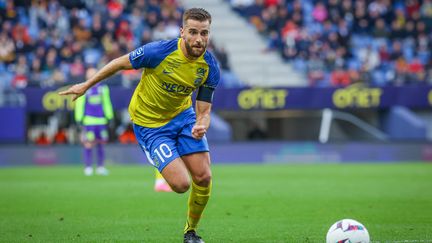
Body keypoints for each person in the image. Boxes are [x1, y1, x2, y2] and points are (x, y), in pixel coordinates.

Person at [59, 8, 219, 243]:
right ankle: (160, 155)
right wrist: (86, 85)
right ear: (182, 32)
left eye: (204, 33)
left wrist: (202, 124)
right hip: (149, 124)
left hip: (183, 117)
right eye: (193, 32)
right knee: (181, 184)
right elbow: (118, 63)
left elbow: (204, 111)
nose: (198, 39)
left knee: (204, 177)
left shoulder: (210, 66)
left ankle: (191, 232)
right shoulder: (159, 51)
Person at [74, 68, 114, 176]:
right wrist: (78, 119)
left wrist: (110, 117)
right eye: (89, 74)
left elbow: (107, 103)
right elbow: (80, 104)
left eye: (93, 73)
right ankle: (88, 167)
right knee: (88, 144)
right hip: (89, 121)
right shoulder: (84, 88)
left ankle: (101, 167)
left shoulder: (103, 88)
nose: (91, 75)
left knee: (101, 143)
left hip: (101, 120)